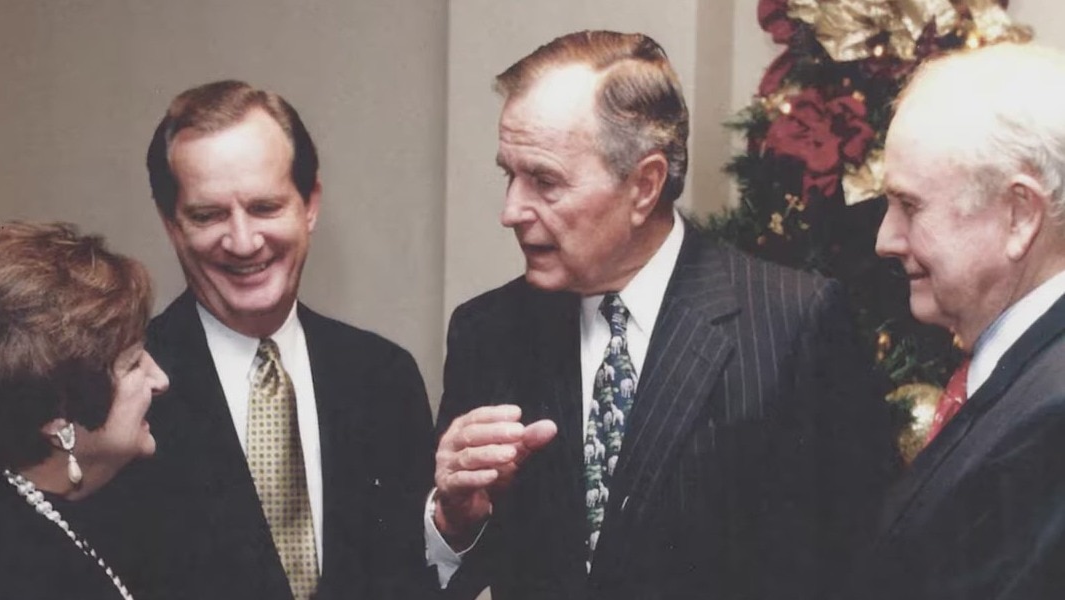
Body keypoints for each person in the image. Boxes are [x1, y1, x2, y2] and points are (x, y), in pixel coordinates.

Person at [427, 30, 898, 600]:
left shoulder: (791, 323)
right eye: (510, 174)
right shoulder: (489, 332)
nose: (511, 211)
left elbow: (859, 560)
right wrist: (453, 520)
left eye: (544, 181)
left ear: (644, 185)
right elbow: (449, 572)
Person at [90, 80, 437, 600]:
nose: (243, 241)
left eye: (265, 207)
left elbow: (414, 576)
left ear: (310, 204)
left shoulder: (383, 376)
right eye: (208, 215)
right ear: (171, 225)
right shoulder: (117, 391)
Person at [847, 42, 1065, 600]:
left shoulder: (1053, 418)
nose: (885, 240)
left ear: (1020, 215)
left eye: (910, 206)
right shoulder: (1025, 373)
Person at [0, 221, 170, 599]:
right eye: (133, 364)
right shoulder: (19, 567)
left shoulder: (103, 508)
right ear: (58, 420)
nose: (160, 379)